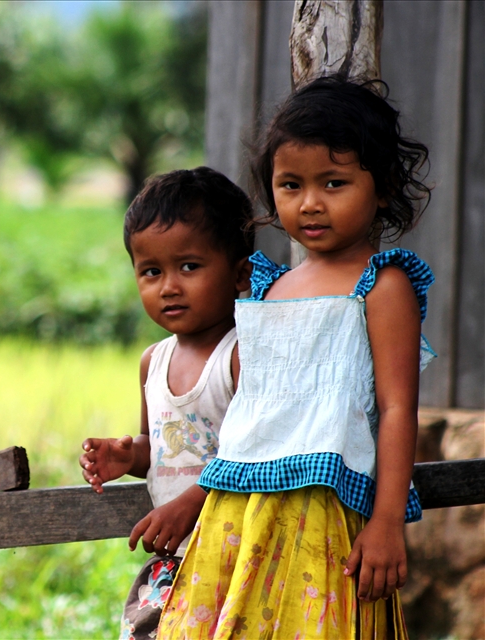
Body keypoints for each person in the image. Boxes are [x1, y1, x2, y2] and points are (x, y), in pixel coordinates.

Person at [156, 76, 435, 639]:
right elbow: (252, 421)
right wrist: (197, 495)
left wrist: (386, 522)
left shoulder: (381, 286)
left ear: (380, 189)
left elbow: (398, 407)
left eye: (334, 183)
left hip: (322, 514)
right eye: (290, 185)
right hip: (235, 515)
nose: (310, 203)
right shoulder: (264, 288)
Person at [79, 167, 254, 640]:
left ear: (241, 273)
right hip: (171, 562)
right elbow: (158, 445)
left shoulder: (240, 356)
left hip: (237, 558)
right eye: (151, 271)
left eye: (189, 267)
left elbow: (258, 455)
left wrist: (189, 505)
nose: (169, 286)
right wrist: (128, 455)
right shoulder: (152, 363)